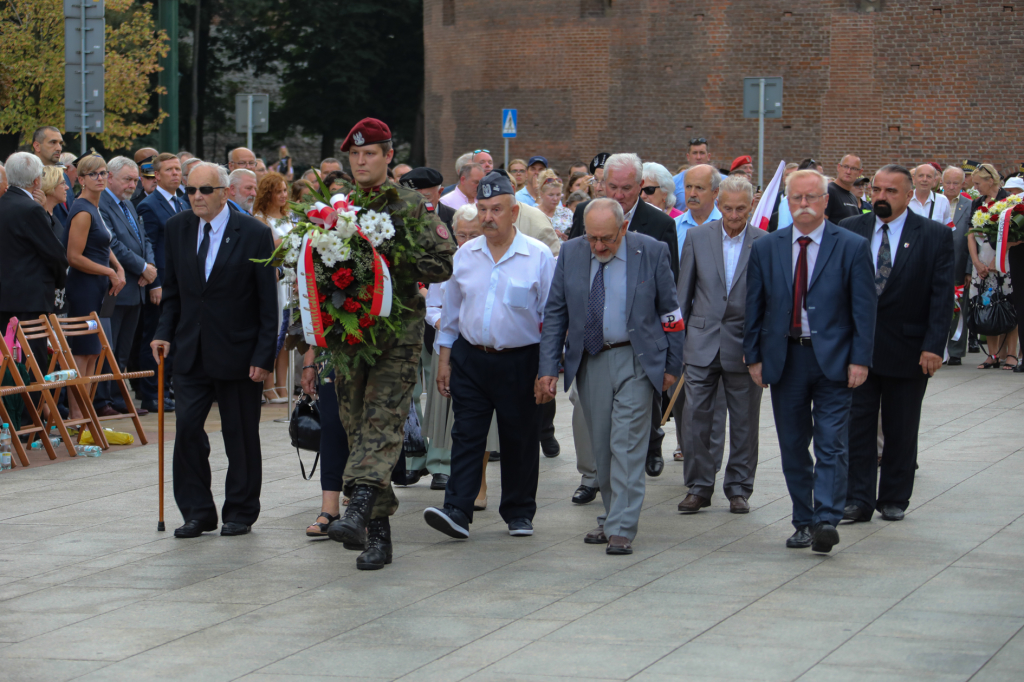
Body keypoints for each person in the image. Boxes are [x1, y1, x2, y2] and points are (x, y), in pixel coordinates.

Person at [323, 117, 456, 570]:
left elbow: (443, 264)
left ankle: (357, 510)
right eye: (354, 154)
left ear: (388, 156)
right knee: (358, 428)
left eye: (370, 153)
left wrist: (394, 252)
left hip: (396, 336)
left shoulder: (412, 205)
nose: (361, 161)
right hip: (348, 337)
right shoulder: (338, 207)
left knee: (381, 426)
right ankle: (377, 537)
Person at [538, 198, 682, 554]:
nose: (599, 246)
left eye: (607, 239)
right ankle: (611, 515)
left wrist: (672, 366)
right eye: (592, 238)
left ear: (624, 228)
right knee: (601, 445)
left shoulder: (651, 251)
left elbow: (671, 312)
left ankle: (621, 527)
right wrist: (546, 369)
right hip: (590, 360)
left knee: (628, 444)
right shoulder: (571, 253)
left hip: (636, 358)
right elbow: (555, 312)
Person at [744, 169, 876, 553]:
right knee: (793, 445)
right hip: (786, 359)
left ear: (824, 201)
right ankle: (803, 519)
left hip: (834, 361)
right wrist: (754, 357)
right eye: (796, 198)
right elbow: (754, 307)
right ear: (788, 201)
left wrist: (860, 359)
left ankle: (826, 519)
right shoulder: (768, 247)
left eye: (811, 198)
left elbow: (864, 310)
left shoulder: (850, 246)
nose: (803, 205)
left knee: (833, 444)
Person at [424, 170, 554, 541]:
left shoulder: (538, 256)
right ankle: (457, 510)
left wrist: (548, 369)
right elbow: (450, 312)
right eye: (482, 209)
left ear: (514, 212)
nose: (487, 217)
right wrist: (444, 360)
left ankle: (518, 512)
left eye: (496, 209)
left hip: (520, 360)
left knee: (519, 437)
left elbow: (551, 316)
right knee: (466, 434)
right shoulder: (466, 254)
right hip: (471, 358)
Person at [149, 161, 277, 538]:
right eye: (190, 190)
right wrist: (163, 332)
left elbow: (268, 302)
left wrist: (263, 356)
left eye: (204, 190)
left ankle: (239, 511)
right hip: (190, 350)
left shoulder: (253, 232)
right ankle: (197, 512)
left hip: (239, 352)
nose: (196, 197)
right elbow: (172, 291)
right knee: (187, 430)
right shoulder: (178, 228)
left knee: (239, 435)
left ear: (223, 192)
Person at [839, 164, 954, 523]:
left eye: (890, 191)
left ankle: (893, 497)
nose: (881, 197)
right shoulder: (849, 229)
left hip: (909, 348)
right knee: (857, 427)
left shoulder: (933, 235)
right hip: (859, 349)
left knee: (901, 427)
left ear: (908, 195)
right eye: (876, 190)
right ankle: (857, 499)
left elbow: (941, 295)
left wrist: (934, 345)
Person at [567, 153, 678, 478]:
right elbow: (574, 269)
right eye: (611, 186)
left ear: (640, 185)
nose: (618, 194)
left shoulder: (659, 225)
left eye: (626, 188)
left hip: (638, 343)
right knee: (592, 420)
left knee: (632, 424)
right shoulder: (585, 214)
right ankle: (593, 477)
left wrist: (669, 357)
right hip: (590, 343)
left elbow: (669, 296)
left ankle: (648, 447)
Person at [676, 175, 765, 514]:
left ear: (751, 205)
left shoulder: (764, 241)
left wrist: (761, 349)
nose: (733, 215)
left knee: (744, 421)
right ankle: (699, 486)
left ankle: (739, 488)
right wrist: (678, 345)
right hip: (700, 341)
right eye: (727, 208)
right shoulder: (698, 238)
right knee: (696, 418)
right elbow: (683, 294)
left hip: (744, 345)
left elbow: (768, 301)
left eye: (740, 209)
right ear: (718, 203)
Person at [420, 204, 486, 496]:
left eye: (474, 234)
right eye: (462, 234)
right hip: (447, 348)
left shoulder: (489, 261)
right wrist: (443, 321)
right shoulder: (447, 262)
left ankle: (477, 482)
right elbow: (432, 305)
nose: (467, 240)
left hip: (480, 349)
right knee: (448, 419)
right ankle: (443, 469)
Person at [63, 153, 127, 426]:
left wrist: (118, 267)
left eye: (103, 173)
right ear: (81, 179)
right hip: (84, 287)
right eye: (93, 174)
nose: (100, 178)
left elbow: (103, 244)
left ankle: (86, 411)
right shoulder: (82, 209)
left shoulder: (95, 206)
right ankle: (77, 415)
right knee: (82, 351)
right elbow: (74, 256)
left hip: (98, 286)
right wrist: (108, 271)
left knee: (93, 352)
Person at [95, 157, 156, 416]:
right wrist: (142, 267)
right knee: (109, 346)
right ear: (109, 177)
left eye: (134, 179)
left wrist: (149, 268)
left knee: (124, 349)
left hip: (137, 287)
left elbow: (144, 239)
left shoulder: (129, 204)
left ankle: (120, 399)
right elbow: (113, 244)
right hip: (117, 287)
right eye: (126, 179)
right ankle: (102, 401)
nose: (132, 184)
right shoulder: (103, 204)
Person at [0, 153, 69, 364]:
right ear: (37, 181)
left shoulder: (3, 204)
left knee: (8, 360)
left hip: (5, 298)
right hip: (31, 299)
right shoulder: (31, 209)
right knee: (32, 362)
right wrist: (60, 281)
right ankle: (32, 399)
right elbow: (55, 253)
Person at [137, 152, 185, 413]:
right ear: (156, 175)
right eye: (169, 170)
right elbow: (150, 245)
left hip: (181, 282)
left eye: (178, 169)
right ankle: (151, 394)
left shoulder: (183, 201)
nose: (176, 174)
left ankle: (166, 390)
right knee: (155, 336)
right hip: (162, 281)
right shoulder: (150, 204)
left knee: (175, 340)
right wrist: (155, 282)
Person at [253, 171, 295, 403]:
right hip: (275, 279)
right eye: (278, 191)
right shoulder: (259, 218)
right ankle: (268, 386)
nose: (283, 195)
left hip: (291, 278)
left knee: (288, 335)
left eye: (284, 190)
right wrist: (294, 237)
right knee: (275, 331)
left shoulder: (288, 216)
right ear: (267, 194)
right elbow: (269, 246)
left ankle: (283, 385)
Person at [969, 163, 1016, 370]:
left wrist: (997, 259)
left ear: (990, 181)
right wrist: (977, 262)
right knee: (986, 304)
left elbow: (1015, 234)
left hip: (1004, 259)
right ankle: (993, 354)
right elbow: (970, 233)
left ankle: (1012, 354)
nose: (976, 187)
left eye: (978, 183)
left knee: (1008, 304)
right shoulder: (978, 202)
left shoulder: (1010, 200)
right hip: (982, 260)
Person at [942, 166, 974, 365]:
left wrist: (969, 268)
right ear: (941, 183)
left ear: (963, 184)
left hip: (959, 263)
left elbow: (974, 239)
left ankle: (955, 351)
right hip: (936, 262)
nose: (951, 186)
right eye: (948, 182)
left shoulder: (970, 205)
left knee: (958, 308)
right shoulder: (935, 203)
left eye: (956, 183)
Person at [674, 164, 722, 259]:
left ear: (715, 192)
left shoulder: (726, 227)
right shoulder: (674, 227)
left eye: (699, 188)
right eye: (688, 187)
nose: (692, 194)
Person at [672, 138, 711, 211]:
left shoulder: (723, 181)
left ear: (708, 156)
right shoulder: (674, 182)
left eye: (702, 153)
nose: (698, 157)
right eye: (694, 153)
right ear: (688, 157)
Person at [825, 155, 865, 223]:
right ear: (838, 167)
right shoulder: (829, 191)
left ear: (860, 172)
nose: (848, 172)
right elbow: (821, 224)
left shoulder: (852, 197)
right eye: (845, 167)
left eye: (853, 168)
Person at [536, 169, 572, 238]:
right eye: (551, 195)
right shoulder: (533, 213)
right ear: (541, 194)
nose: (555, 199)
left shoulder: (567, 213)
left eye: (558, 195)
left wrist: (569, 238)